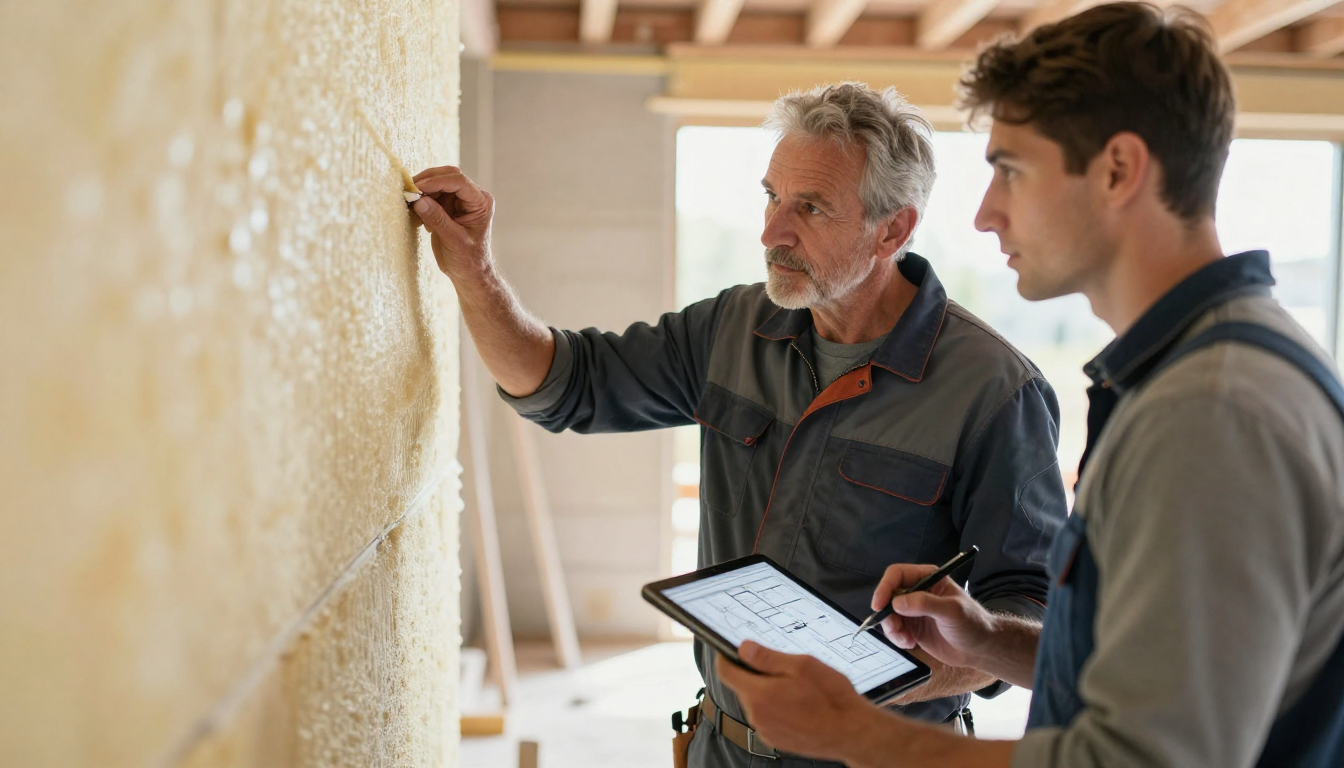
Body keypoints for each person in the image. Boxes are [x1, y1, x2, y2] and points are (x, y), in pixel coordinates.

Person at [717, 4, 1344, 767]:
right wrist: (990, 639)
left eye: (1010, 169)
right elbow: (1154, 672)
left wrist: (855, 732)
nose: (985, 215)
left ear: (1118, 169)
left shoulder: (1210, 413)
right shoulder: (1200, 372)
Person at [411, 83, 1069, 767]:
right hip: (718, 750)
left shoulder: (995, 390)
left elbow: (1033, 626)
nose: (771, 233)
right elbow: (563, 384)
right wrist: (472, 268)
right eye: (771, 197)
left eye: (809, 208)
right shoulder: (731, 328)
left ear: (893, 231)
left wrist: (870, 691)